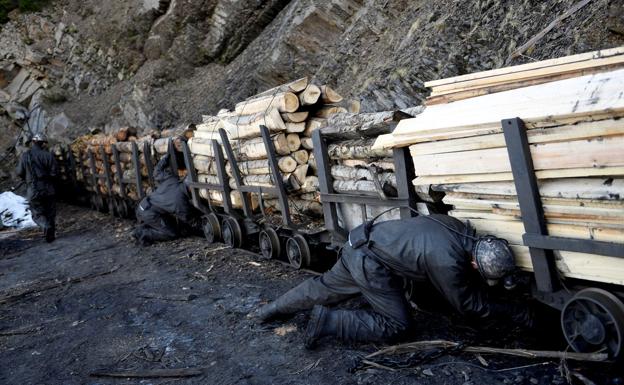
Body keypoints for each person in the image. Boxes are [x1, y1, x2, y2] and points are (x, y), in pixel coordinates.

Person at [253, 214, 534, 348]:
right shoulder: (447, 261)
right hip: (371, 263)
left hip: (362, 243)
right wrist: (517, 312)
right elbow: (469, 305)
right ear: (475, 262)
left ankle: (269, 311)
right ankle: (330, 322)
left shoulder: (456, 227)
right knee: (398, 326)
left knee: (324, 286)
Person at [131, 153, 200, 245]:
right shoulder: (179, 202)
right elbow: (189, 219)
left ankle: (147, 226)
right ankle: (142, 233)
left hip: (144, 206)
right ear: (191, 189)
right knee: (171, 233)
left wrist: (166, 157)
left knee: (172, 225)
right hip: (149, 213)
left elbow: (157, 172)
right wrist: (201, 226)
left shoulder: (171, 180)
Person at [16, 133, 59, 242]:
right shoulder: (48, 155)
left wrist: (26, 178)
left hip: (33, 189)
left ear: (33, 142)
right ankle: (51, 235)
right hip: (48, 188)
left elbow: (19, 172)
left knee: (37, 213)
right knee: (50, 212)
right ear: (43, 144)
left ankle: (45, 227)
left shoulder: (25, 156)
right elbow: (55, 173)